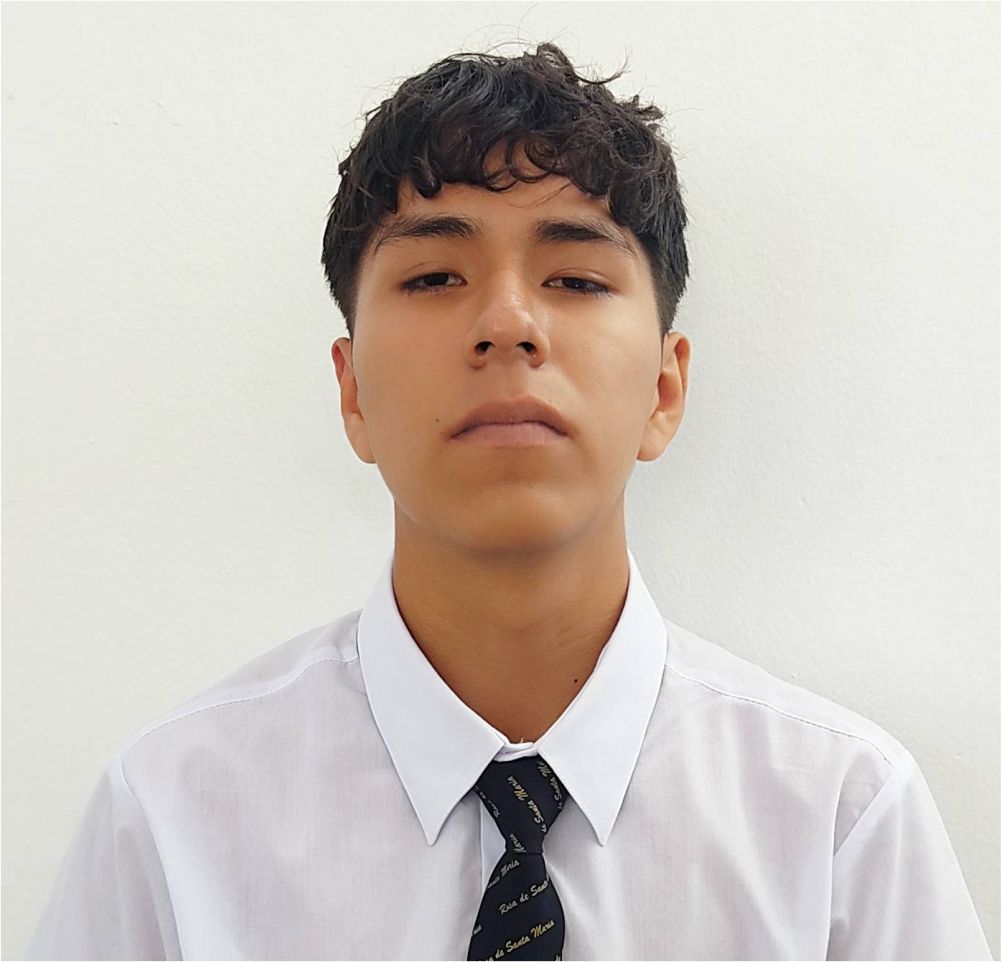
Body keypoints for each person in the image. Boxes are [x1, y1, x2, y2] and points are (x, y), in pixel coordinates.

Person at [26, 42, 992, 961]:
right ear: (352, 392)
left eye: (574, 277)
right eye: (433, 276)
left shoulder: (837, 818)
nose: (507, 323)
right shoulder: (173, 818)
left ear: (663, 389)